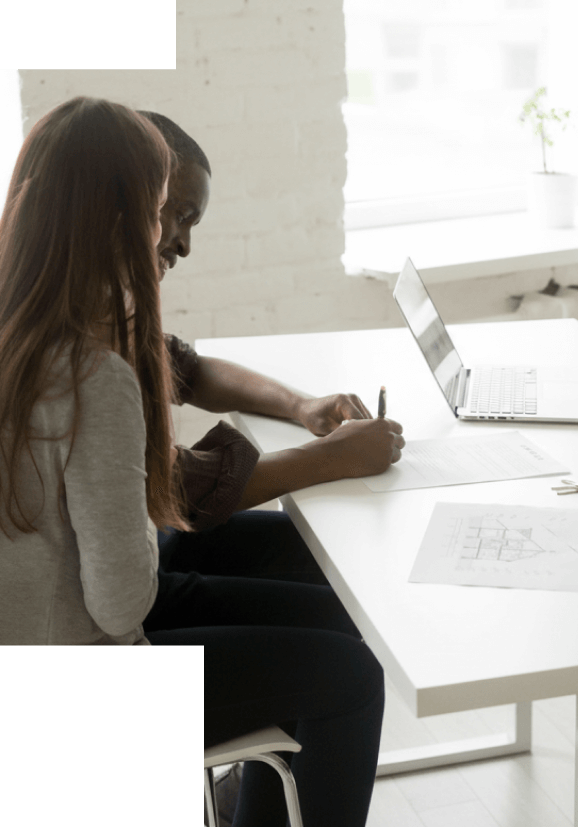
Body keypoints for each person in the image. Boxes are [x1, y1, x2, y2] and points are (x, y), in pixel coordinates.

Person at [136, 111, 403, 827]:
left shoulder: (99, 299)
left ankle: (260, 809)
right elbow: (182, 491)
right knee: (351, 674)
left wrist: (302, 405)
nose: (185, 244)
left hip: (134, 576)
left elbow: (186, 370)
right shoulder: (71, 339)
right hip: (110, 609)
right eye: (179, 217)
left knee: (337, 603)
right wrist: (328, 458)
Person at [0, 96, 179, 646]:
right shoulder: (92, 378)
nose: (163, 236)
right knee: (348, 672)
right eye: (159, 213)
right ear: (125, 224)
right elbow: (119, 607)